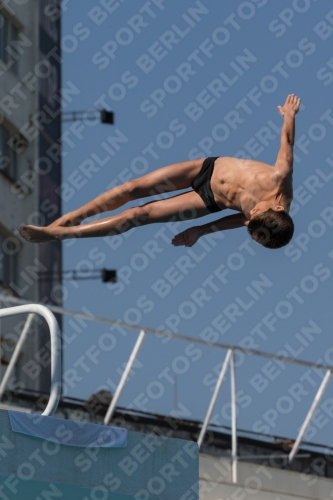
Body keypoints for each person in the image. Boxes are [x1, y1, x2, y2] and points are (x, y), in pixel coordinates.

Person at [18, 94, 300, 249]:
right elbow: (286, 145)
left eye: (253, 220)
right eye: (256, 214)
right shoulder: (279, 179)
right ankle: (66, 220)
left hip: (209, 202)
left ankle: (57, 235)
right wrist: (289, 115)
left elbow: (239, 220)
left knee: (137, 216)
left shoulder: (258, 220)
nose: (250, 214)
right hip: (206, 169)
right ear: (277, 208)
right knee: (131, 189)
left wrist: (201, 230)